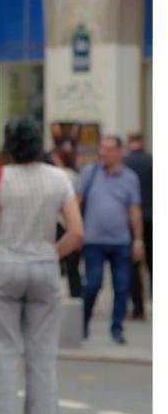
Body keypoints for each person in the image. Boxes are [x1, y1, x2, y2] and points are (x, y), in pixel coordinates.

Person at [0, 117, 84, 414]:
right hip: (44, 269)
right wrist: (50, 252)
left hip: (4, 269)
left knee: (5, 353)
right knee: (42, 358)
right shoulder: (60, 179)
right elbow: (77, 232)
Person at [78, 136, 143, 343]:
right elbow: (76, 201)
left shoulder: (130, 178)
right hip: (93, 240)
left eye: (108, 149)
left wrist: (138, 241)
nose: (103, 153)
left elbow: (134, 211)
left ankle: (117, 328)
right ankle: (83, 322)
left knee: (122, 286)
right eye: (102, 148)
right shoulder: (91, 172)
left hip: (120, 241)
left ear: (120, 152)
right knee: (93, 283)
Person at [123, 132, 152, 319]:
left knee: (133, 264)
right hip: (154, 216)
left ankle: (138, 306)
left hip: (132, 218)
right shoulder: (152, 160)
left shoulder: (125, 163)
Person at [49, 142, 81, 297]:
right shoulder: (74, 175)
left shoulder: (59, 177)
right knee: (72, 265)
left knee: (57, 260)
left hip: (60, 223)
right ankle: (76, 295)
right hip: (68, 223)